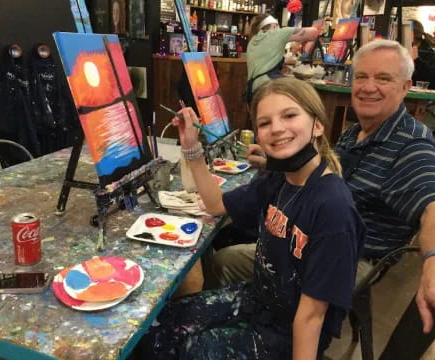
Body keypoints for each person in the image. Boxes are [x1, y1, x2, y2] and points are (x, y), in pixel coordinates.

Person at [210, 40, 435, 347]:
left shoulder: (411, 145)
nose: (368, 87)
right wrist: (276, 161)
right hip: (310, 230)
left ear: (406, 87)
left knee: (228, 258)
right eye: (361, 77)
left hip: (351, 256)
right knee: (238, 238)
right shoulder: (356, 132)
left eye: (383, 78)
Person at [135, 77, 365, 359]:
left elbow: (311, 318)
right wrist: (191, 146)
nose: (277, 128)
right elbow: (217, 204)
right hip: (257, 301)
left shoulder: (333, 210)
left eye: (290, 115)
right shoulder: (279, 179)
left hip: (286, 335)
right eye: (265, 123)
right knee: (154, 330)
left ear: (317, 124)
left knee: (184, 350)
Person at [245, 14, 318, 103]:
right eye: (278, 26)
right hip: (268, 88)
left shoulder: (253, 40)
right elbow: (314, 32)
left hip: (252, 90)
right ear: (274, 25)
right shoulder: (276, 33)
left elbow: (266, 61)